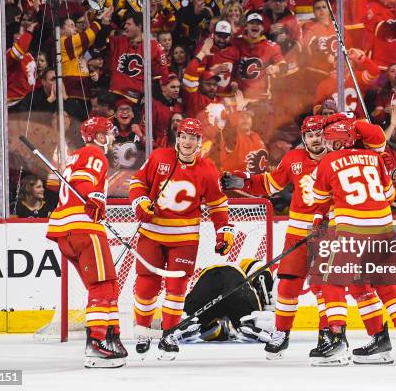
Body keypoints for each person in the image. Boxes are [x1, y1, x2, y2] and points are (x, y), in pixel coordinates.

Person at [311, 115, 396, 367]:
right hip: (383, 231)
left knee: (332, 283)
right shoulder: (374, 158)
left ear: (339, 142)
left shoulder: (327, 162)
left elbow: (319, 198)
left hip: (352, 232)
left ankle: (337, 342)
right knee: (387, 287)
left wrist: (320, 220)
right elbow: (390, 194)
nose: (326, 144)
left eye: (330, 141)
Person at [221, 115, 329, 360]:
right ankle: (282, 333)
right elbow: (270, 184)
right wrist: (243, 181)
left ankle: (328, 334)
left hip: (327, 233)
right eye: (310, 135)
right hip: (297, 233)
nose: (315, 139)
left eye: (319, 134)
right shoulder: (293, 159)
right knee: (288, 285)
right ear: (304, 138)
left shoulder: (337, 160)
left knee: (325, 288)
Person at [129, 117, 234, 361]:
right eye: (184, 136)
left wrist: (223, 230)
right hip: (152, 233)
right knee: (147, 284)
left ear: (200, 141)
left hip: (184, 237)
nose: (187, 142)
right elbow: (138, 182)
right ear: (178, 138)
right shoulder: (159, 158)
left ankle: (169, 334)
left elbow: (218, 204)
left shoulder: (208, 169)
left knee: (177, 289)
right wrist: (140, 202)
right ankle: (143, 331)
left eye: (193, 138)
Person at [45, 116, 128, 368]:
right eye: (108, 132)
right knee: (102, 286)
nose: (111, 136)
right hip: (83, 227)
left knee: (109, 284)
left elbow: (62, 183)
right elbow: (83, 179)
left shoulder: (74, 156)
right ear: (98, 136)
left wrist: (92, 199)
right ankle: (96, 343)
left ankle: (112, 335)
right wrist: (93, 198)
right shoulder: (94, 153)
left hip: (66, 230)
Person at [183, 258, 274, 342]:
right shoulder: (245, 266)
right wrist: (264, 307)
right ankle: (249, 324)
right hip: (233, 277)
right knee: (251, 321)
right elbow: (259, 268)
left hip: (206, 279)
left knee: (189, 321)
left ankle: (187, 327)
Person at [108, 12, 169, 104]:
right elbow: (100, 43)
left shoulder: (154, 46)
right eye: (125, 24)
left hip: (135, 98)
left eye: (129, 24)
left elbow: (163, 73)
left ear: (139, 26)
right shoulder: (119, 41)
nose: (125, 26)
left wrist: (151, 94)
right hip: (115, 94)